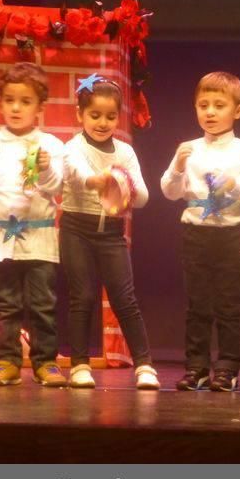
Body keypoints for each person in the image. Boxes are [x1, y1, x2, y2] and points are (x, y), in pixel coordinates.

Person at [0, 63, 66, 387]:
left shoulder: (51, 145)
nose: (16, 107)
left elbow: (56, 189)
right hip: (3, 237)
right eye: (9, 100)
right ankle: (7, 361)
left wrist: (48, 169)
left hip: (39, 236)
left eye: (25, 101)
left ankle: (45, 362)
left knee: (42, 303)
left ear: (40, 107)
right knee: (7, 302)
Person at [161, 71, 240, 391]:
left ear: (238, 111)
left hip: (232, 234)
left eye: (219, 105)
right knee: (197, 305)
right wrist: (176, 165)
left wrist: (234, 186)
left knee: (229, 304)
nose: (211, 112)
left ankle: (228, 367)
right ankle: (197, 366)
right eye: (204, 105)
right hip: (197, 234)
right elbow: (170, 192)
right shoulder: (189, 148)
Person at [62, 74, 159, 390]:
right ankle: (79, 365)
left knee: (124, 298)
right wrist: (98, 180)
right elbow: (78, 175)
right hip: (76, 227)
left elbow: (143, 197)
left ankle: (144, 365)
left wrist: (124, 184)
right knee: (83, 296)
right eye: (94, 115)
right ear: (80, 115)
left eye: (110, 116)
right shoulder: (72, 147)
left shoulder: (125, 152)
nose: (103, 123)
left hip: (111, 233)